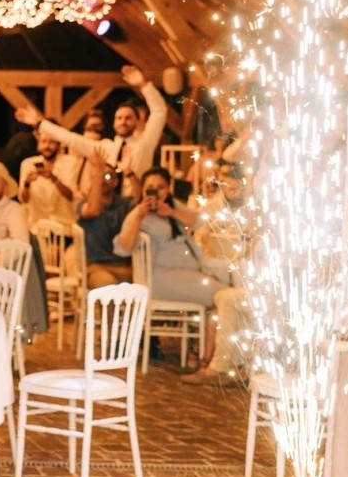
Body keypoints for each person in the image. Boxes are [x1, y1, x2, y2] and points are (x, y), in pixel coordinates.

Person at [113, 167, 231, 366]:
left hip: (187, 274)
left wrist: (172, 212)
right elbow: (123, 248)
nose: (155, 192)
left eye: (160, 188)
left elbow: (199, 221)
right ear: (143, 189)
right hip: (159, 279)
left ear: (168, 189)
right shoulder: (137, 213)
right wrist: (139, 216)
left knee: (226, 280)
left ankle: (201, 351)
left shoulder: (171, 206)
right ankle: (206, 359)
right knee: (223, 296)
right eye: (150, 188)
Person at [15, 66, 168, 197]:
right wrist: (40, 123)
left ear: (136, 121)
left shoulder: (145, 143)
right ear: (113, 123)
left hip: (134, 202)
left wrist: (143, 85)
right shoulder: (105, 147)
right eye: (119, 118)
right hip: (107, 208)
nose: (123, 121)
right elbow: (70, 138)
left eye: (128, 118)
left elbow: (159, 111)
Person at [75, 152, 133, 288]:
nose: (102, 180)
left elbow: (139, 200)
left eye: (107, 176)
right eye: (99, 176)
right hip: (97, 267)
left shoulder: (123, 204)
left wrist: (129, 172)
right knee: (109, 291)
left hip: (126, 266)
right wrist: (97, 174)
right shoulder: (83, 204)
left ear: (116, 182)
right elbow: (94, 210)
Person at [19, 127, 82, 226]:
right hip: (37, 226)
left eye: (51, 142)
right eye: (43, 141)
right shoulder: (28, 164)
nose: (47, 146)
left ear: (58, 144)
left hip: (64, 226)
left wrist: (53, 178)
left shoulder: (70, 162)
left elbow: (71, 196)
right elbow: (23, 199)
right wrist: (27, 183)